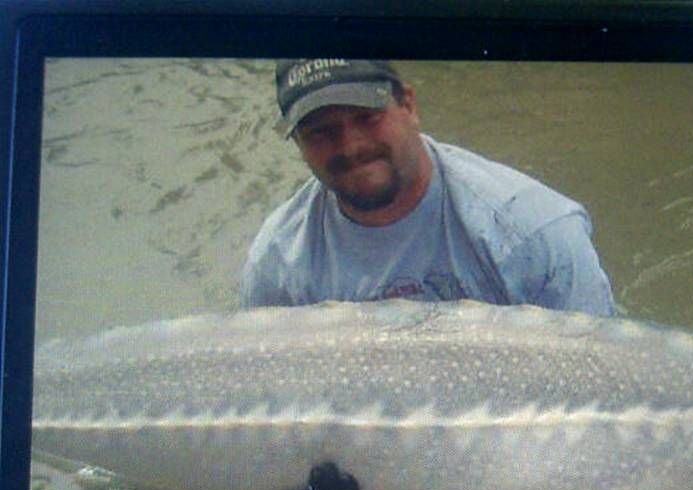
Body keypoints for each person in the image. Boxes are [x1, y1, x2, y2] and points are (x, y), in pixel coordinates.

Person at [241, 59, 615, 316]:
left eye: (367, 118)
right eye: (321, 132)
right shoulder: (279, 262)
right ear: (299, 144)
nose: (350, 146)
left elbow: (598, 374)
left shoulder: (532, 230)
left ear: (409, 105)